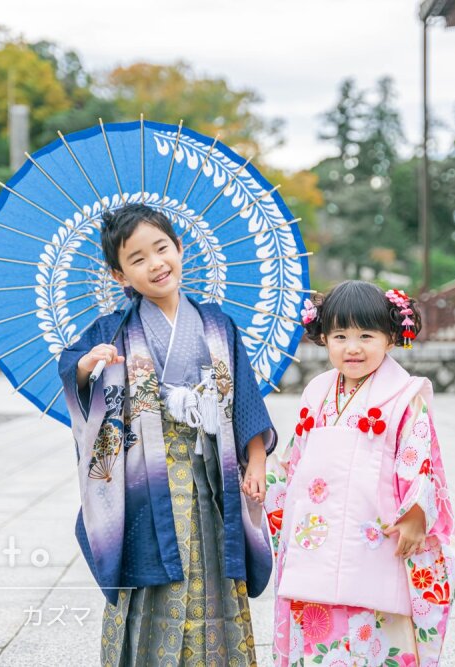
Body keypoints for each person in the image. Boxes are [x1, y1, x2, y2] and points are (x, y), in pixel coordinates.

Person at [58, 203, 275, 665]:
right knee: (150, 576)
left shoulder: (217, 324)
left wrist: (256, 461)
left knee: (215, 574)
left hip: (212, 478)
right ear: (119, 275)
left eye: (161, 249)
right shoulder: (112, 331)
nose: (155, 264)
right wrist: (86, 365)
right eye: (137, 259)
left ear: (180, 248)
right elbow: (73, 371)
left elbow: (245, 397)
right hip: (146, 485)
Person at [264, 281, 455, 666]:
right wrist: (267, 480)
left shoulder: (404, 396)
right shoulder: (317, 392)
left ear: (391, 338)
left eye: (366, 335)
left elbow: (419, 458)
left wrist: (415, 515)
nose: (352, 347)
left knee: (374, 616)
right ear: (323, 338)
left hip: (375, 531)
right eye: (340, 336)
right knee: (316, 612)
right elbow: (296, 459)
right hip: (317, 530)